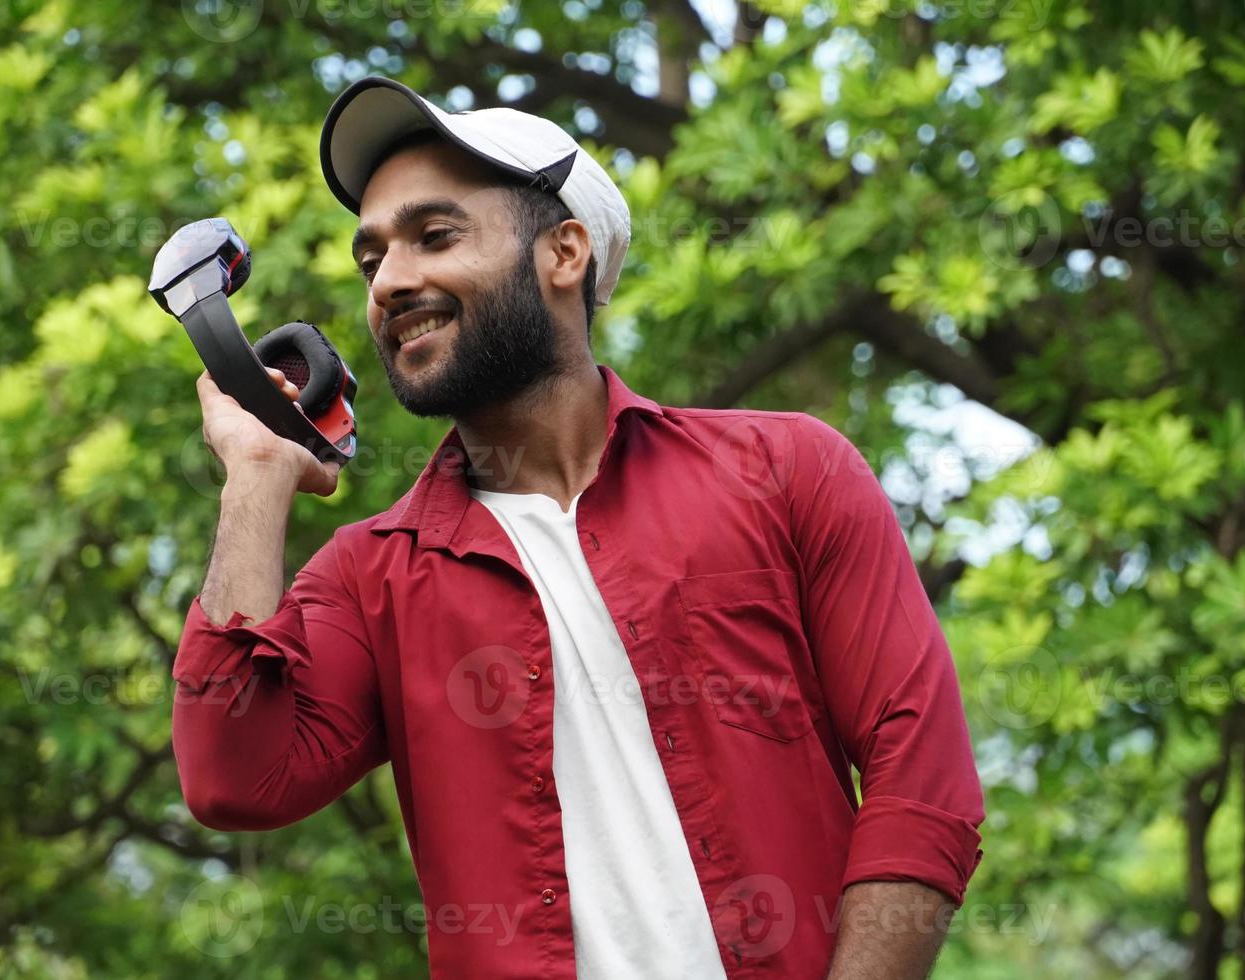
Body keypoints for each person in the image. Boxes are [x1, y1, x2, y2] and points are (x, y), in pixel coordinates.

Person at [171, 76, 985, 980]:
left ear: (565, 254)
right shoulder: (371, 577)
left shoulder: (789, 472)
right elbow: (233, 776)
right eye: (373, 260)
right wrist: (254, 475)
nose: (392, 281)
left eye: (436, 237)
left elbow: (924, 782)